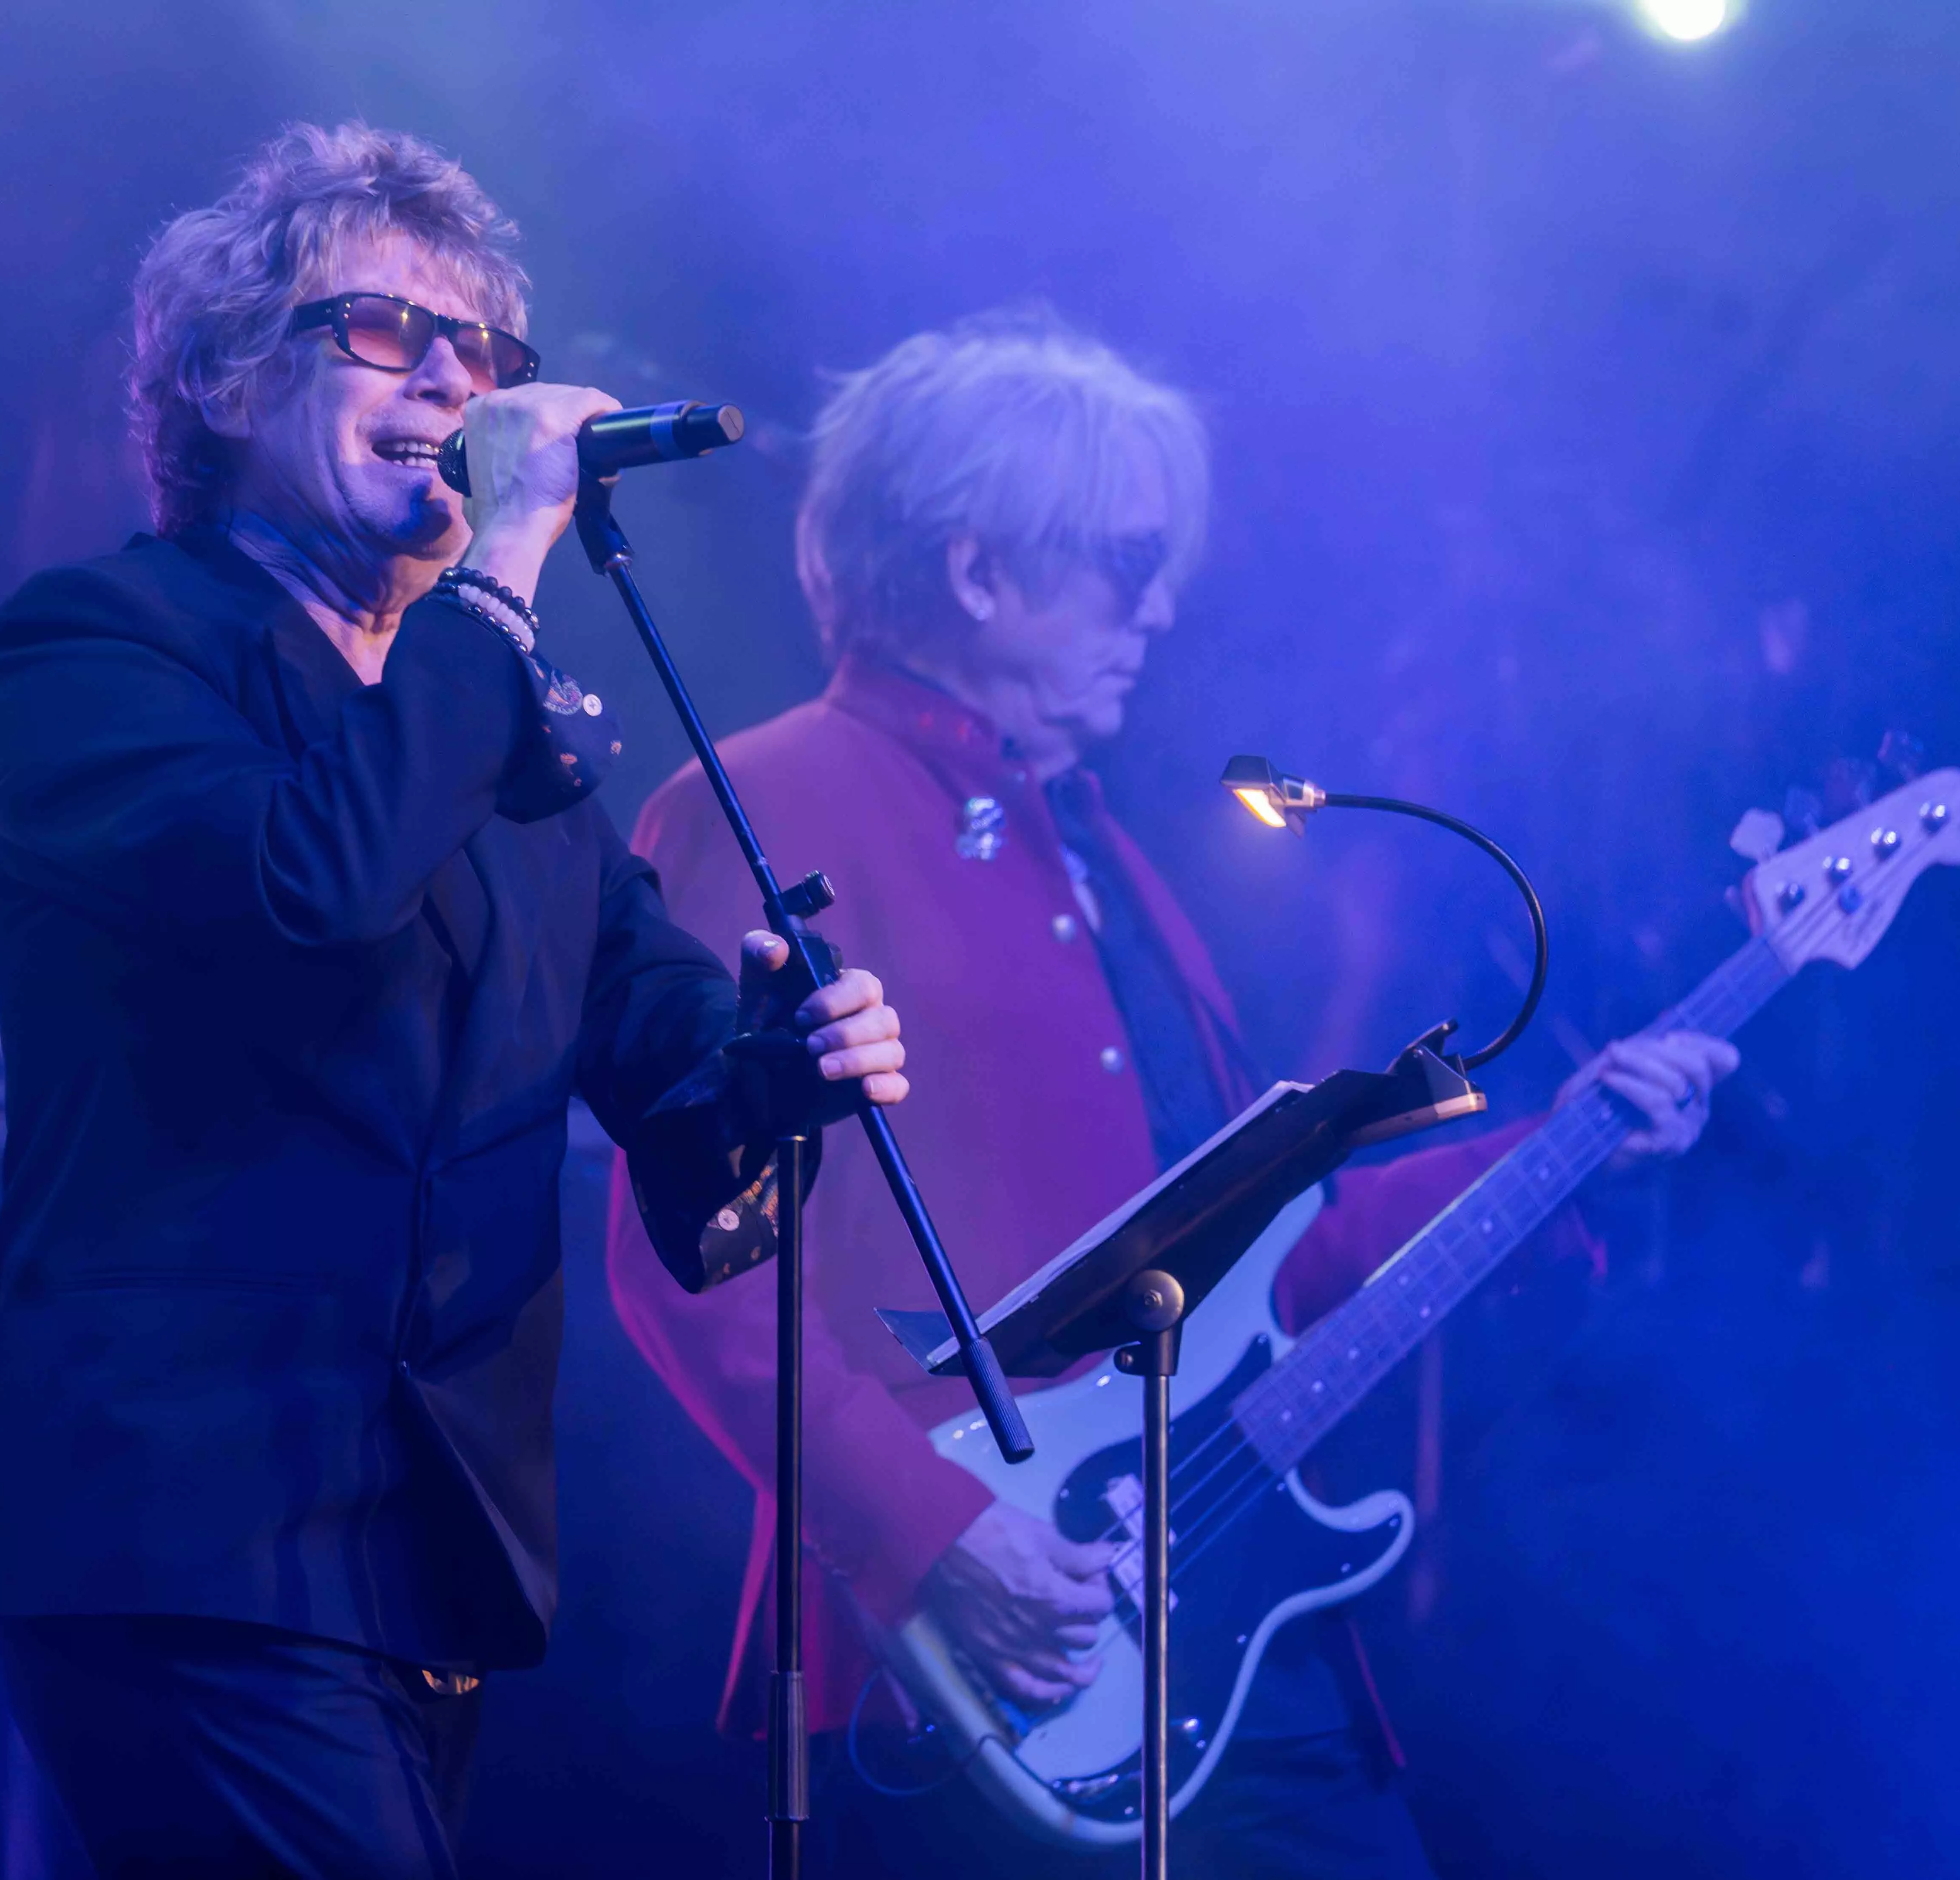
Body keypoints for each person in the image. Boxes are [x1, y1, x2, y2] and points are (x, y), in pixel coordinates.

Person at [605, 309, 1739, 1878]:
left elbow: (1270, 1259)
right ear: (978, 569)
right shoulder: (769, 798)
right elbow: (690, 1264)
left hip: (1222, 1627)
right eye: (1127, 561)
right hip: (983, 1666)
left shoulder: (1100, 853)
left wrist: (1571, 1139)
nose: (1161, 607)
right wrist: (936, 1539)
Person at [0, 122, 909, 1880]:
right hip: (186, 1530)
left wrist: (783, 1071)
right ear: (232, 380)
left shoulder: (511, 756)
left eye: (485, 350)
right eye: (388, 332)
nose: (457, 382)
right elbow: (298, 890)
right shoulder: (99, 649)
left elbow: (686, 1130)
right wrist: (496, 582)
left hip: (421, 1556)